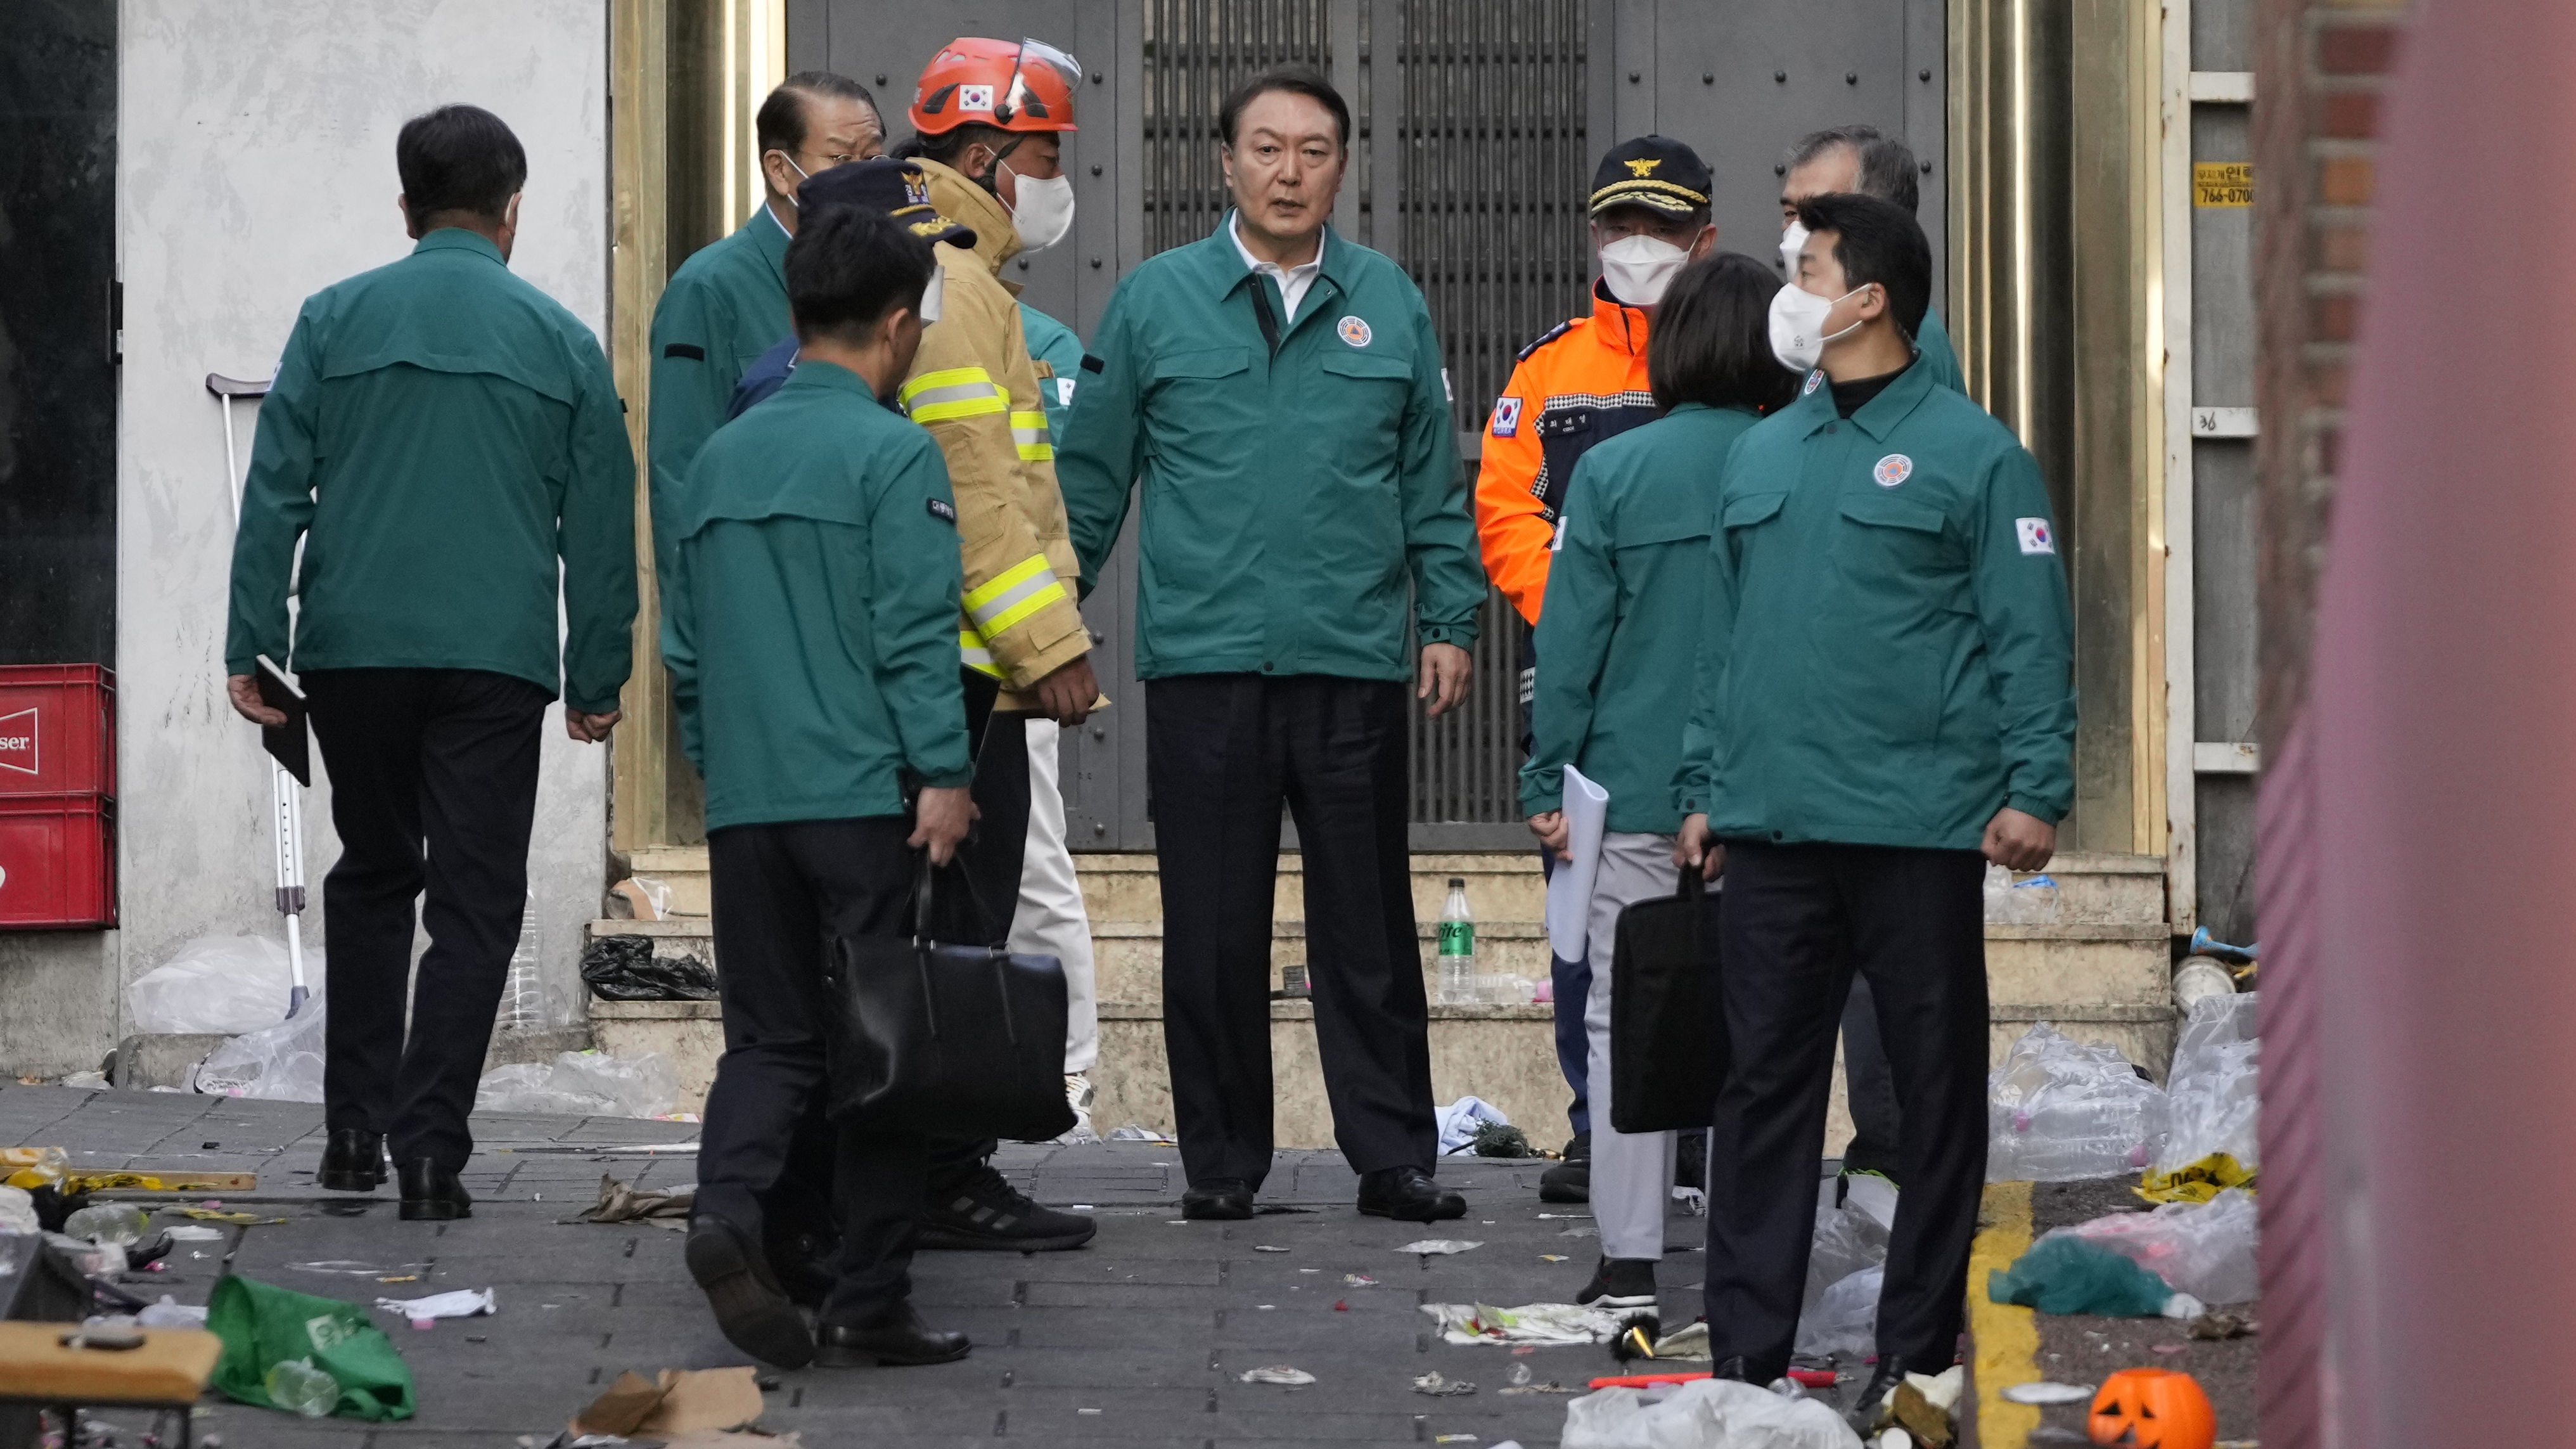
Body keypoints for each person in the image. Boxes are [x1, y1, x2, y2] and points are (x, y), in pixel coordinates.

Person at [1055, 68, 1486, 1224]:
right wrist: (1043, 631)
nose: (1289, 172)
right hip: (1206, 664)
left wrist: (1449, 619)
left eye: (1313, 151)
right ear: (1226, 163)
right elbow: (1088, 483)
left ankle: (1393, 1156)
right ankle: (1221, 1163)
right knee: (1211, 927)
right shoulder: (1153, 301)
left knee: (1368, 925)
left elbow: (1429, 480)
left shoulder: (1388, 300)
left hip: (1352, 659)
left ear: (1342, 167)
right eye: (1266, 148)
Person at [1672, 193, 2074, 1416]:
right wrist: (1703, 786)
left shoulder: (1976, 454)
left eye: (1808, 269)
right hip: (1776, 824)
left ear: (1870, 299)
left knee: (1933, 1092)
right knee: (1763, 1092)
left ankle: (1915, 1352)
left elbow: (2029, 631)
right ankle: (1746, 1358)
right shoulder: (1763, 452)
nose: (1786, 288)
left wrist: (2036, 786)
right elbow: (1722, 643)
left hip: (1917, 825)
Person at [222, 105, 636, 1221]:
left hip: (353, 650)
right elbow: (601, 525)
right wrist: (597, 674)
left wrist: (251, 639)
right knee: (475, 899)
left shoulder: (333, 319)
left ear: (407, 208)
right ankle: (431, 1150)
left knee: (372, 871)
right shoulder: (562, 342)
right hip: (495, 659)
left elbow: (276, 493)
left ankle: (351, 1133)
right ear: (513, 210)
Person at [662, 203, 975, 1370]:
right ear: (896, 327)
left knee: (770, 1042)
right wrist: (943, 771)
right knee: (885, 1051)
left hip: (749, 804)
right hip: (859, 798)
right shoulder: (895, 454)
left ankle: (726, 1213)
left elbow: (686, 647)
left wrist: (718, 758)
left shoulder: (721, 457)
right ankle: (869, 1298)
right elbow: (914, 634)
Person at [1520, 254, 1795, 1313]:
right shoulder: (1797, 462)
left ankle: (1629, 1255)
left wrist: (1545, 775)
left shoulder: (1614, 472)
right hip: (1771, 796)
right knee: (1764, 1027)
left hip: (1630, 793)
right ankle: (1748, 1247)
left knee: (1622, 1023)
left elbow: (1571, 643)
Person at [1473, 134, 1719, 1203]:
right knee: (1583, 927)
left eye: (1662, 226)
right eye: (1622, 223)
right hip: (1580, 691)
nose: (1639, 244)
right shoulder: (1550, 369)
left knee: (1713, 926)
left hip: (1705, 685)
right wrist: (1588, 612)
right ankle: (1599, 1128)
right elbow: (1503, 512)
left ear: (1704, 237)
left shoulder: (1745, 366)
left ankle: (1702, 1136)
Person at [1778, 122, 1960, 1189]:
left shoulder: (1911, 372)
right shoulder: (1811, 366)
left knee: (1889, 970)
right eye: (1790, 213)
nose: (1793, 237)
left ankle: (1898, 1154)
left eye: (1816, 217)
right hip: (1814, 728)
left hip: (1884, 731)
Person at [648, 71, 881, 583]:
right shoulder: (710, 288)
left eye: (873, 160)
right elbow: (682, 469)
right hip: (763, 580)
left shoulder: (888, 275)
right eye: (841, 160)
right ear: (780, 170)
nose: (863, 179)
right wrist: (698, 617)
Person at [1013, 296, 1104, 1139]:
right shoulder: (876, 318)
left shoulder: (1044, 343)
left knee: (1032, 857)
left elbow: (1055, 496)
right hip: (896, 639)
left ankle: (1067, 1070)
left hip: (1008, 644)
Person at [1777, 125, 1961, 393]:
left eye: (1820, 214)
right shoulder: (1835, 329)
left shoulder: (1904, 345)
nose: (1798, 231)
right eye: (1791, 213)